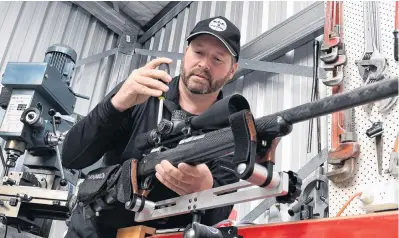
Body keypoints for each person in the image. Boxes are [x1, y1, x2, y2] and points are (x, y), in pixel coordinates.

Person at [62, 16, 241, 238]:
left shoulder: (230, 131)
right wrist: (116, 104)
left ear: (232, 70)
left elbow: (220, 218)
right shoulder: (142, 91)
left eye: (218, 59)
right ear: (186, 52)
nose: (204, 64)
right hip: (93, 231)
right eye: (199, 52)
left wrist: (207, 189)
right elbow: (72, 157)